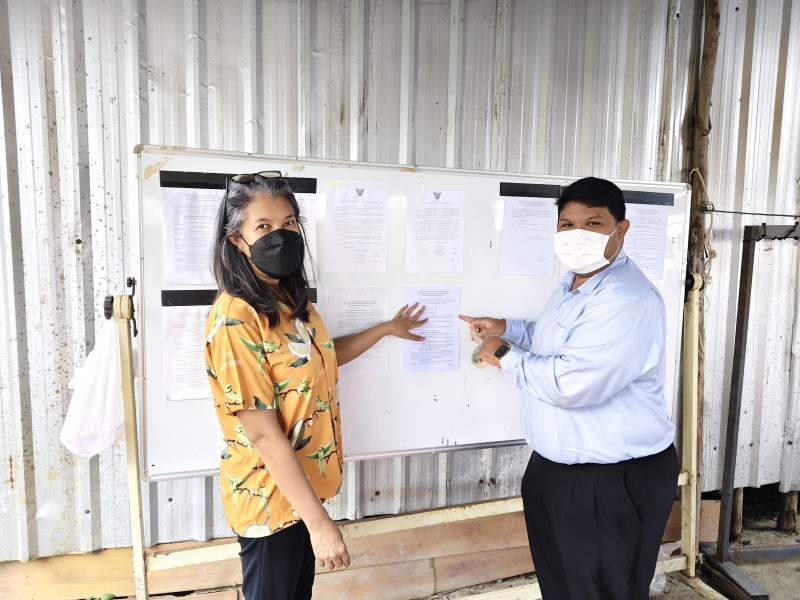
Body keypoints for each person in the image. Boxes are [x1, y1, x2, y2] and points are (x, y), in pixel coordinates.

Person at [205, 172, 426, 600]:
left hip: (301, 494)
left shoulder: (290, 301)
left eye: (289, 222)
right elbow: (263, 433)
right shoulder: (236, 317)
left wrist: (385, 329)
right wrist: (320, 525)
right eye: (264, 226)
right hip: (269, 501)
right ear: (236, 240)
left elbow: (318, 358)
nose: (281, 234)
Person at [461, 177, 679, 600]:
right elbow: (556, 342)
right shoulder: (575, 285)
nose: (577, 234)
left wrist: (503, 355)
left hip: (612, 483)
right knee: (562, 590)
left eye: (593, 223)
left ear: (621, 229)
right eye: (567, 224)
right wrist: (508, 329)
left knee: (603, 593)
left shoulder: (626, 299)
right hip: (558, 474)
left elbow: (572, 383)